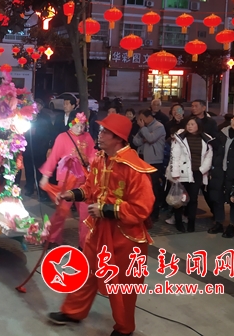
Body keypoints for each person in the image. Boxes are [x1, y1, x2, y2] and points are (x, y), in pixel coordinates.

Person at [48, 114, 155, 335]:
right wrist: (72, 194)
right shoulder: (99, 159)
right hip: (98, 229)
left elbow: (142, 208)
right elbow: (90, 188)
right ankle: (73, 311)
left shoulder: (134, 168)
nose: (100, 134)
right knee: (85, 271)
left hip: (125, 236)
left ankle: (124, 328)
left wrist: (107, 210)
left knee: (123, 283)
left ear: (118, 138)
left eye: (105, 131)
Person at [40, 112, 96, 247]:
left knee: (86, 214)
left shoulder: (88, 137)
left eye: (82, 126)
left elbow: (93, 156)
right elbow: (53, 157)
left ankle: (85, 243)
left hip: (84, 180)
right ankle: (50, 238)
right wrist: (45, 176)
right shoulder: (62, 137)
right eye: (77, 125)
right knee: (61, 211)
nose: (80, 128)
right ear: (71, 124)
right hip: (66, 180)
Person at [166, 117, 214, 233]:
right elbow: (175, 156)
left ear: (198, 125)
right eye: (188, 124)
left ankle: (191, 223)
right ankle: (178, 222)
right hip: (182, 172)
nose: (190, 126)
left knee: (193, 199)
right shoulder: (180, 137)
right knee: (179, 198)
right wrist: (175, 172)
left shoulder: (206, 138)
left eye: (192, 124)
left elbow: (209, 156)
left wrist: (202, 170)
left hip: (197, 173)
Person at [133, 109, 166, 220]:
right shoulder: (144, 128)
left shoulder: (159, 126)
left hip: (154, 161)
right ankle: (144, 211)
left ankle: (154, 213)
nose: (140, 121)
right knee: (142, 187)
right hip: (142, 160)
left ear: (148, 117)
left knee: (153, 187)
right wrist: (144, 137)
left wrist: (144, 130)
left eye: (141, 119)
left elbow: (151, 138)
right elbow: (135, 141)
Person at [20, 99, 52, 198]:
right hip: (28, 151)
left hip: (39, 152)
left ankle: (41, 191)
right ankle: (29, 187)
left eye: (34, 113)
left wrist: (43, 149)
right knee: (29, 170)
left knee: (39, 171)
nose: (32, 115)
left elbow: (46, 137)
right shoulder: (25, 123)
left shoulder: (43, 122)